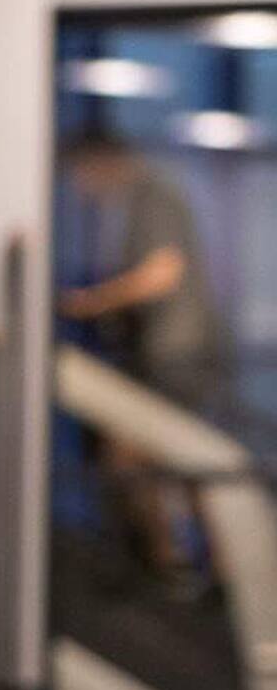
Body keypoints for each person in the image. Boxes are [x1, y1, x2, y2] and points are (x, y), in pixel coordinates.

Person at [58, 121, 236, 590]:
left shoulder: (153, 194)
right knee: (181, 459)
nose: (78, 187)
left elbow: (162, 274)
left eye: (79, 173)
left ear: (99, 161)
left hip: (179, 354)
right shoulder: (142, 198)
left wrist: (91, 303)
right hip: (175, 352)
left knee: (139, 455)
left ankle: (170, 566)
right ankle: (198, 566)